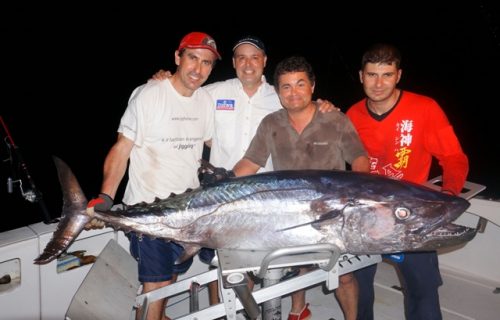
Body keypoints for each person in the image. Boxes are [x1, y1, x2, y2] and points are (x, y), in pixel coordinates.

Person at [152, 35, 336, 317]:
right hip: (221, 195)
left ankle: (293, 307)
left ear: (264, 61)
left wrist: (326, 106)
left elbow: (307, 109)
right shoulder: (212, 92)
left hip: (269, 199)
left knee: (269, 261)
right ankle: (222, 312)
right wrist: (164, 79)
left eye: (255, 57)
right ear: (234, 63)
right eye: (241, 58)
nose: (248, 64)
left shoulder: (281, 95)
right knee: (218, 261)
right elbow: (182, 92)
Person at [86, 31, 221, 320]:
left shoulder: (206, 101)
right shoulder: (149, 94)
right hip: (148, 211)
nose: (198, 69)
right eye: (193, 58)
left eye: (207, 63)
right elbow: (122, 149)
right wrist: (106, 196)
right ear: (177, 57)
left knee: (168, 281)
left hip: (186, 213)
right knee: (156, 287)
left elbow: (216, 145)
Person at [232, 56, 370, 320]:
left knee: (345, 276)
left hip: (332, 214)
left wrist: (360, 189)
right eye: (286, 86)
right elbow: (251, 161)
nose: (293, 92)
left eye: (300, 84)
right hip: (289, 212)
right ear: (277, 91)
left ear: (313, 86)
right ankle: (299, 310)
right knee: (295, 266)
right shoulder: (271, 123)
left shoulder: (335, 120)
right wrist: (224, 182)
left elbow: (359, 157)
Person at [346, 43, 469, 320]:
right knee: (358, 286)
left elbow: (454, 158)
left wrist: (446, 196)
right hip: (366, 216)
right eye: (372, 75)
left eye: (386, 75)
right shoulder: (352, 114)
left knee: (422, 290)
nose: (378, 84)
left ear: (398, 75)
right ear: (361, 76)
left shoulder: (425, 108)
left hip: (411, 216)